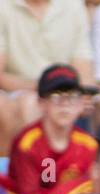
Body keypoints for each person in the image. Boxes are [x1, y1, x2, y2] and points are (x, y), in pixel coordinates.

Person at [0, 0, 93, 152]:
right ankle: (43, 169)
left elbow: (83, 68)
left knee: (91, 101)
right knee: (31, 102)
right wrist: (46, 88)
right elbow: (0, 76)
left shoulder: (74, 5)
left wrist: (80, 94)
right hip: (16, 92)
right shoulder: (3, 6)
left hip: (65, 87)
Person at [9, 65, 99, 194]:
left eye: (71, 97)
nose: (64, 104)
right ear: (41, 103)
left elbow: (91, 191)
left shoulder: (89, 144)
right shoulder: (28, 143)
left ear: (80, 104)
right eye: (56, 97)